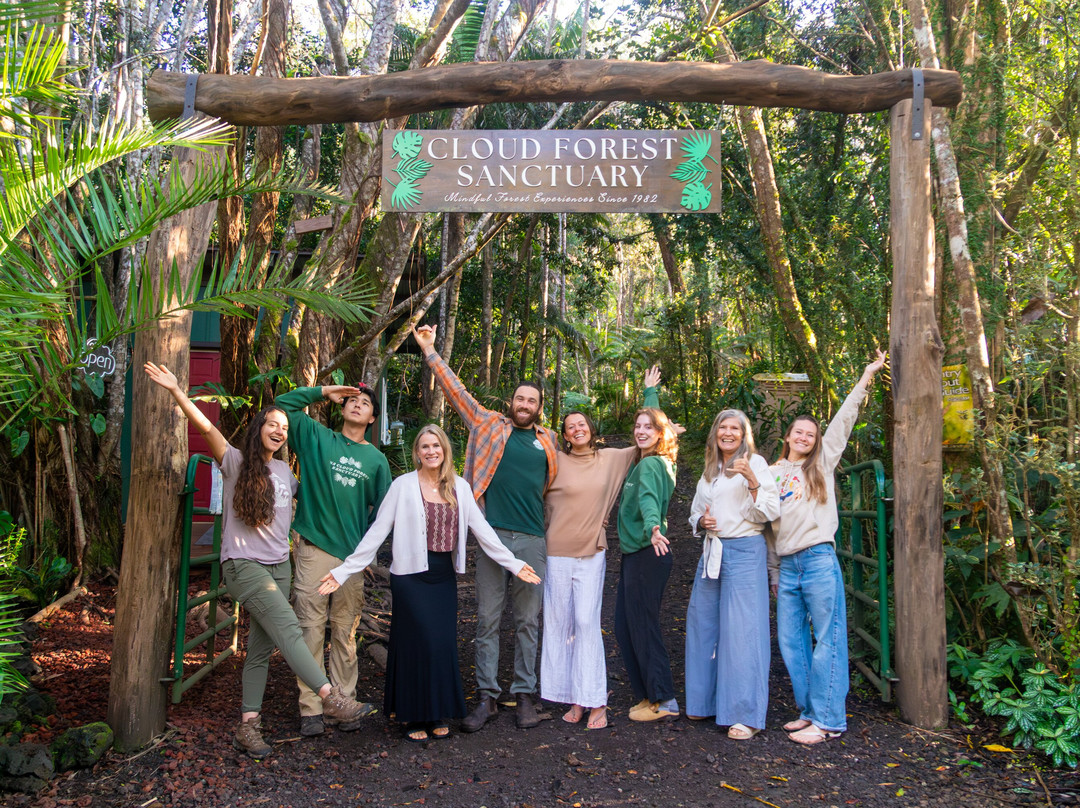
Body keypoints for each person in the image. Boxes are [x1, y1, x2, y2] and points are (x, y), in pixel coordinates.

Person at [143, 363, 376, 758]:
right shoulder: (235, 463)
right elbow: (205, 428)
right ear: (259, 428)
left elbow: (325, 497)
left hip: (279, 566)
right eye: (272, 423)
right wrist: (176, 392)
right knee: (289, 625)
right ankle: (329, 695)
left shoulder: (286, 471)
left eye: (284, 427)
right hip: (244, 566)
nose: (279, 430)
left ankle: (248, 725)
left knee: (260, 649)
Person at [317, 425, 541, 742]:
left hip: (441, 575)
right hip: (409, 576)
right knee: (415, 643)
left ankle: (436, 714)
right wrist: (343, 571)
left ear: (444, 450)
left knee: (440, 644)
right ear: (417, 453)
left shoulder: (460, 488)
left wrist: (515, 564)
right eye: (425, 446)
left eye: (436, 445)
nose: (431, 451)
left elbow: (485, 534)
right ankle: (412, 718)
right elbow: (377, 533)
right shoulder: (402, 486)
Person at [413, 324, 559, 732]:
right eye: (520, 398)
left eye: (532, 400)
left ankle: (525, 695)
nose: (524, 404)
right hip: (493, 539)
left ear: (540, 407)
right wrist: (429, 349)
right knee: (487, 619)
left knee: (529, 620)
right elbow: (454, 389)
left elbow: (563, 486)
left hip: (531, 539)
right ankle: (488, 697)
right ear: (511, 402)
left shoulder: (549, 443)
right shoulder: (489, 423)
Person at [770, 350, 886, 745]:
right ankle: (809, 711)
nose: (803, 437)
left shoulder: (820, 466)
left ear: (815, 441)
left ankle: (830, 721)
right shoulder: (770, 475)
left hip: (818, 560)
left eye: (810, 434)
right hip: (787, 567)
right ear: (787, 436)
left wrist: (868, 375)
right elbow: (767, 528)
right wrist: (773, 572)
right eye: (798, 432)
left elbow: (843, 421)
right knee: (791, 642)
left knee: (828, 638)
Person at [542, 368, 662, 731]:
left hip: (592, 553)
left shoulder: (611, 459)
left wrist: (650, 393)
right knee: (559, 626)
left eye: (582, 424)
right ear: (563, 435)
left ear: (591, 429)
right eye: (569, 427)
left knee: (586, 624)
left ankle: (596, 701)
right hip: (555, 554)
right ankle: (572, 699)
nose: (576, 429)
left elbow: (649, 436)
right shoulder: (554, 461)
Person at [274, 382, 392, 737]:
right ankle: (310, 707)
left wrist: (366, 553)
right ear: (342, 407)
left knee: (344, 632)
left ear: (372, 417)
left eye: (365, 403)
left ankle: (344, 703)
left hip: (351, 561)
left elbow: (384, 513)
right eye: (352, 400)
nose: (357, 405)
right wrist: (323, 391)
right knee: (310, 630)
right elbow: (282, 405)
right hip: (312, 549)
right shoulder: (316, 438)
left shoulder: (376, 460)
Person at [686, 409, 780, 739]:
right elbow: (695, 512)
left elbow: (770, 510)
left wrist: (752, 482)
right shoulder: (711, 470)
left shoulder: (755, 463)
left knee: (743, 632)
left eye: (734, 428)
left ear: (744, 435)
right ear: (715, 433)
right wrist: (701, 523)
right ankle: (705, 701)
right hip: (712, 552)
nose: (728, 433)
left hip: (744, 551)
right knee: (703, 625)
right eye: (722, 427)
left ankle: (746, 715)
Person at [614, 406, 681, 722]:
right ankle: (647, 695)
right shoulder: (655, 461)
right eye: (637, 426)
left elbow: (648, 499)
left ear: (660, 434)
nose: (641, 431)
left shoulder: (651, 465)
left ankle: (664, 699)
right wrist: (650, 394)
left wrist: (654, 526)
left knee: (643, 626)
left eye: (648, 428)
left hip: (648, 550)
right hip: (638, 553)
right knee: (625, 626)